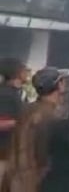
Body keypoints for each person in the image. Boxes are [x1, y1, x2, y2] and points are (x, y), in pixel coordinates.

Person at [2, 67, 69, 192]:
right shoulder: (50, 116)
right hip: (33, 183)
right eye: (63, 80)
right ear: (58, 85)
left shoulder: (27, 109)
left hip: (13, 179)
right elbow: (44, 155)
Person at [0, 59, 28, 187]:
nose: (27, 73)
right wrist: (22, 123)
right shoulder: (5, 94)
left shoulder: (16, 93)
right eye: (24, 70)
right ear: (16, 73)